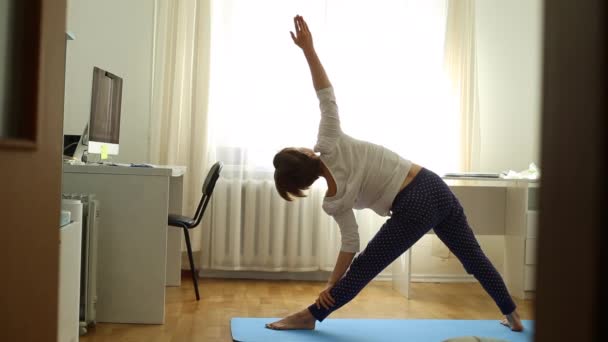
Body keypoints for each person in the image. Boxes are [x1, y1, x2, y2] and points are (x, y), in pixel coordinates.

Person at [266, 15, 523, 332]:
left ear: (301, 184)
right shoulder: (330, 141)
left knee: (366, 266)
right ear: (306, 153)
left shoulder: (334, 201)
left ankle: (310, 316)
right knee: (473, 257)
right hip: (432, 184)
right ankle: (512, 315)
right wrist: (308, 50)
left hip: (414, 204)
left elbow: (350, 245)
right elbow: (325, 93)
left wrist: (331, 285)